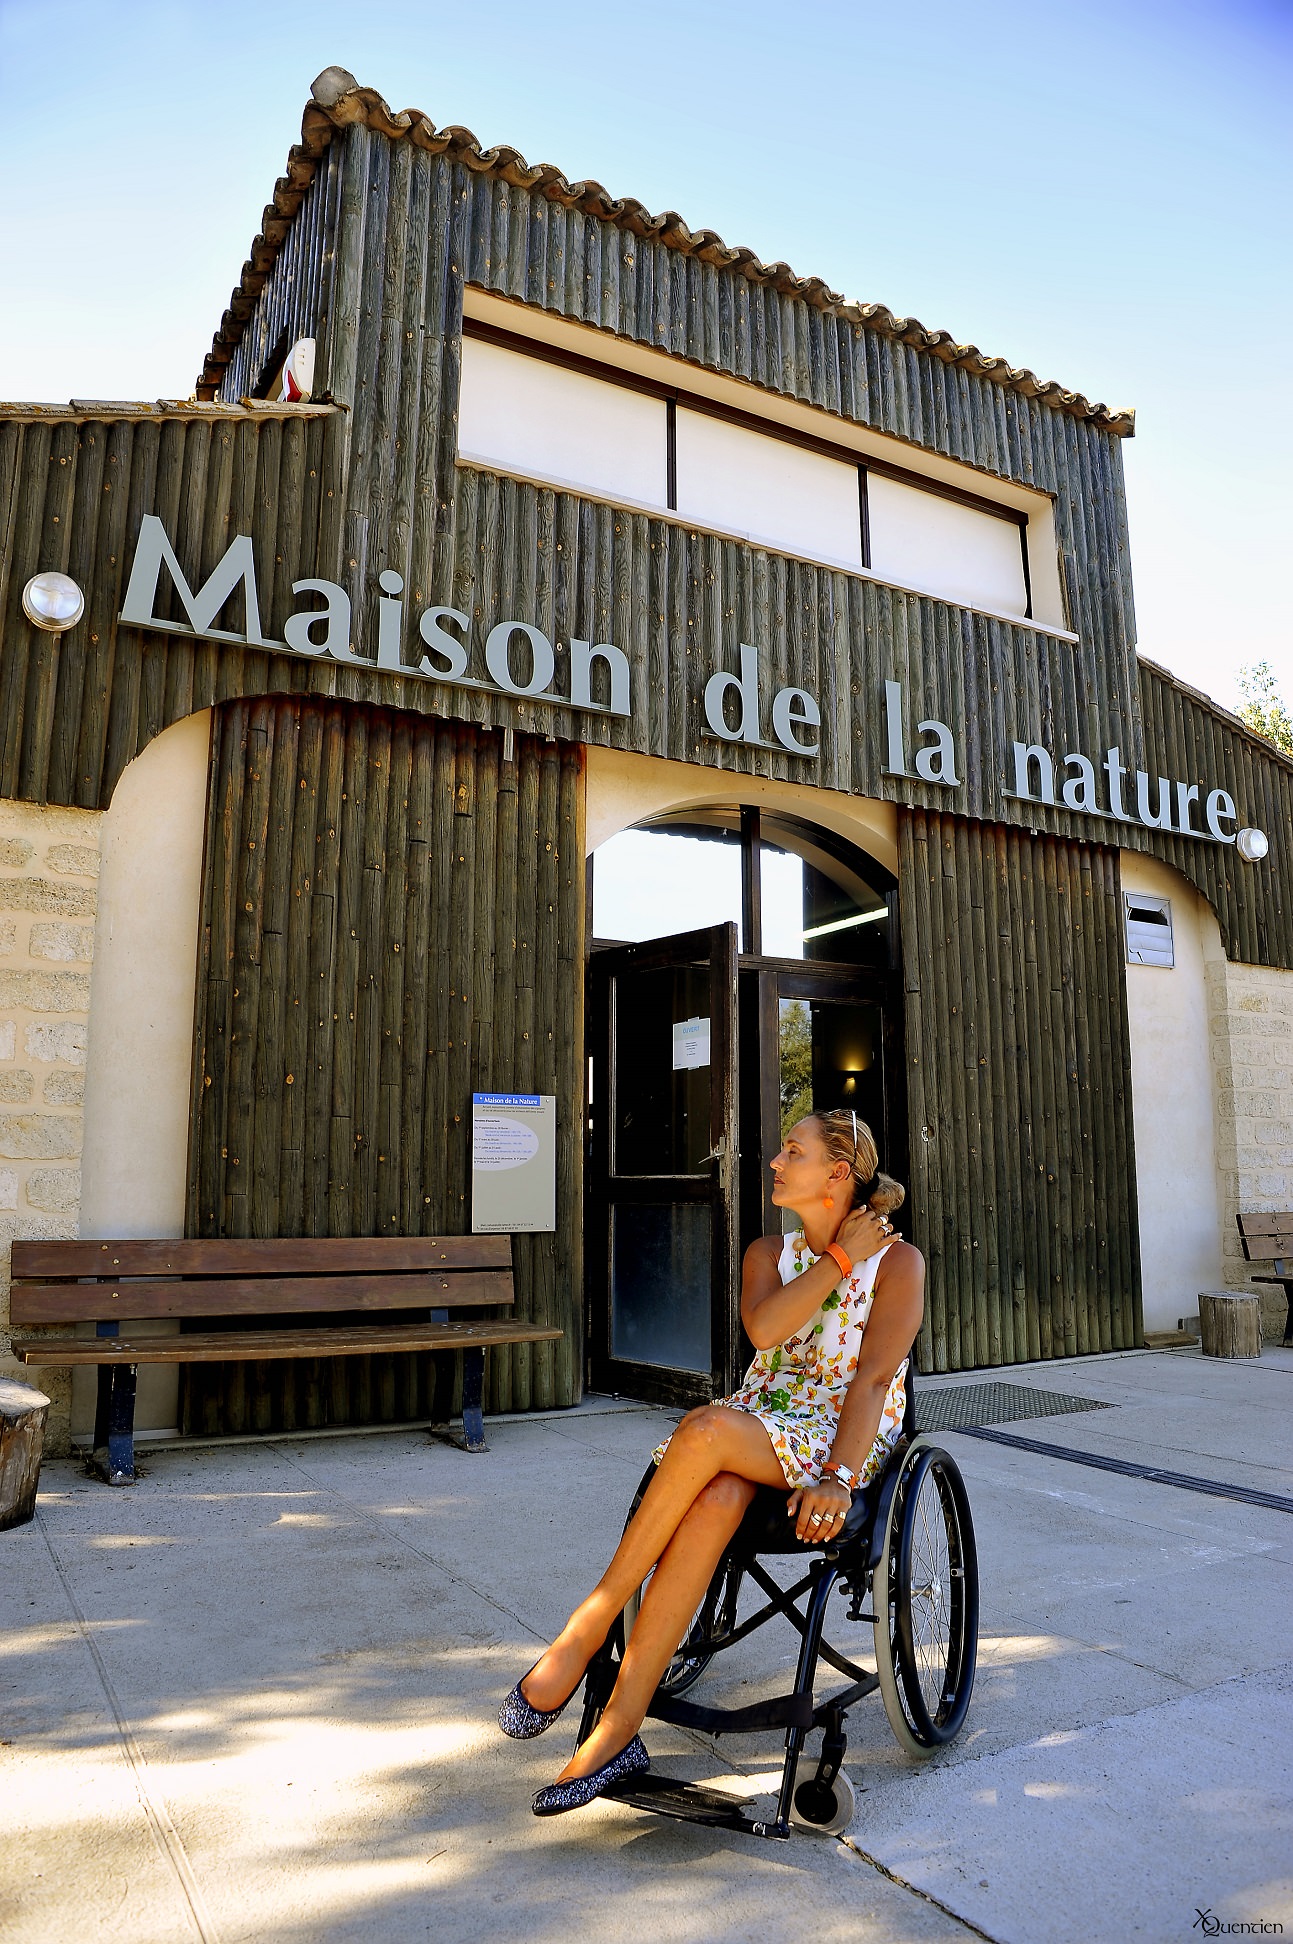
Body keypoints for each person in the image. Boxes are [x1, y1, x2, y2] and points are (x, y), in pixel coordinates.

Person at [499, 1106, 925, 1816]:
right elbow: (765, 1328)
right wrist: (836, 1259)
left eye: (793, 1151)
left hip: (842, 1434)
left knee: (703, 1430)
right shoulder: (769, 1254)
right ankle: (618, 1728)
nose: (775, 1162)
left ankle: (586, 1629)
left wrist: (838, 1478)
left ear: (837, 1173)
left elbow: (875, 1380)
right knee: (717, 1495)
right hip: (764, 1420)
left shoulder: (899, 1262)